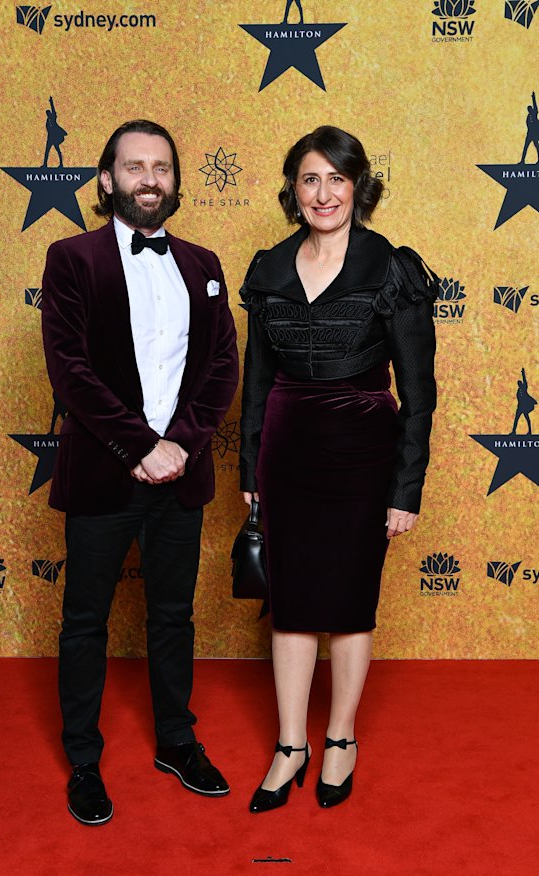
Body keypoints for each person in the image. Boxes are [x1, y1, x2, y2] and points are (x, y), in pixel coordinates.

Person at [42, 119, 239, 825]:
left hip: (180, 476)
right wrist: (139, 446)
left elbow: (222, 367)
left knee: (172, 616)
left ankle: (177, 742)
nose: (149, 179)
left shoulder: (205, 264)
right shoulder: (71, 258)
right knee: (86, 621)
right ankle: (84, 760)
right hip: (104, 474)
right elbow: (71, 370)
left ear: (174, 181)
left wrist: (181, 444)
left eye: (161, 167)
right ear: (106, 179)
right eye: (134, 167)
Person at [239, 126, 437, 812]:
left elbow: (420, 391)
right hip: (286, 452)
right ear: (293, 191)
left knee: (351, 607)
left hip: (364, 452)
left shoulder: (391, 267)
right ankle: (290, 743)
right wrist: (250, 468)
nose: (323, 193)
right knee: (290, 605)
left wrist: (405, 489)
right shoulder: (267, 268)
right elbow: (256, 380)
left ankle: (341, 738)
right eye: (309, 179)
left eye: (336, 179)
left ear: (359, 188)